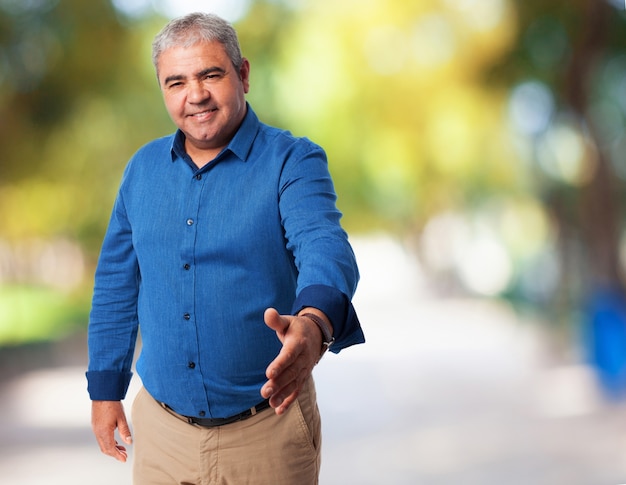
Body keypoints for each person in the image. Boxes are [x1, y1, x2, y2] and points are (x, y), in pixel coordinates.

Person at [86, 11, 364, 485]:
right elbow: (116, 282)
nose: (194, 95)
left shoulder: (292, 160)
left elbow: (324, 245)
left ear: (244, 74)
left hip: (267, 433)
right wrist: (105, 390)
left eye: (210, 74)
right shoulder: (142, 171)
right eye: (176, 82)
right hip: (162, 435)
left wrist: (314, 323)